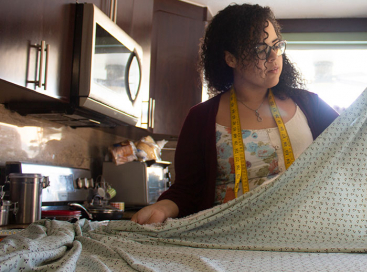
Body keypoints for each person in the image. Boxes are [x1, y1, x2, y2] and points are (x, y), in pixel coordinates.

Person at [131, 4, 339, 224]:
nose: (273, 56)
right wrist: (162, 208)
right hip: (228, 242)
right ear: (231, 59)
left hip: (306, 234)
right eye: (260, 49)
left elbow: (354, 147)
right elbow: (187, 191)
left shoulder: (310, 105)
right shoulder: (200, 118)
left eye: (276, 45)